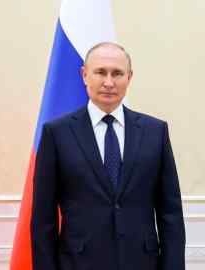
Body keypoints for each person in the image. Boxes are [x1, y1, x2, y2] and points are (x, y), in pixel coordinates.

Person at [31, 42, 185, 270]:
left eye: (117, 73)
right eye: (100, 72)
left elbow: (170, 213)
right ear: (84, 75)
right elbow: (43, 219)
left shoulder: (155, 132)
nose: (109, 82)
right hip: (78, 264)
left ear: (129, 77)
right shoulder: (57, 133)